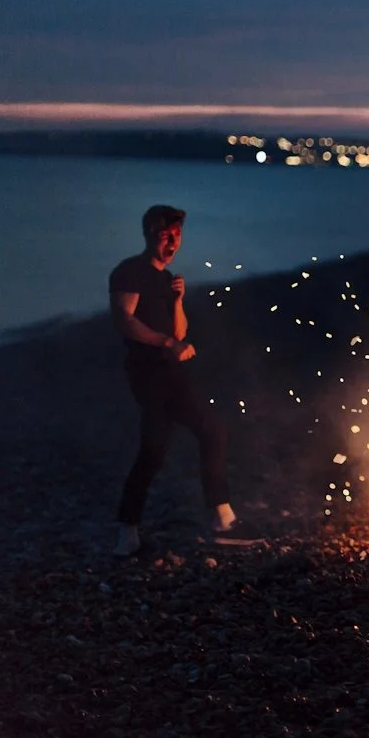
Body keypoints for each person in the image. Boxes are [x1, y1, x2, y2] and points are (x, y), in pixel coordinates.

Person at [109, 205, 261, 556]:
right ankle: (127, 535)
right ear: (150, 233)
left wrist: (178, 301)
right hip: (146, 372)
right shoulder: (130, 271)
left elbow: (179, 332)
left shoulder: (167, 279)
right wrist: (167, 343)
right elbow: (124, 321)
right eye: (166, 236)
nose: (173, 243)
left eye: (177, 236)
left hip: (173, 371)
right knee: (154, 449)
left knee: (212, 429)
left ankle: (223, 519)